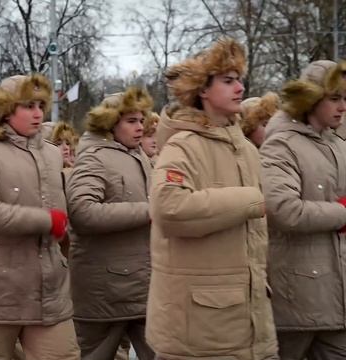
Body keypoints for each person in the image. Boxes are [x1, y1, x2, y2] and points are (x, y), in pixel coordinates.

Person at [146, 37, 278, 359]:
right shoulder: (182, 146)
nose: (240, 88)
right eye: (228, 81)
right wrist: (249, 200)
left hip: (252, 320)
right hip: (200, 329)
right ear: (203, 90)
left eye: (240, 80)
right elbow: (169, 209)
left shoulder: (247, 149)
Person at [0, 74, 79, 359]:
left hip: (49, 291)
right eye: (28, 105)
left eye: (41, 104)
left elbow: (64, 216)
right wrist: (45, 221)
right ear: (5, 109)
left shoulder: (51, 154)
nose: (38, 113)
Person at [260, 60, 346, 359]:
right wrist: (342, 213)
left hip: (337, 299)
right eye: (335, 99)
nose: (343, 107)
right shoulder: (281, 144)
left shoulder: (337, 144)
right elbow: (282, 209)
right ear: (311, 99)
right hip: (296, 299)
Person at [66, 86, 155, 360]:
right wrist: (149, 211)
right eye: (131, 121)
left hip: (142, 285)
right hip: (104, 291)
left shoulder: (139, 156)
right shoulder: (94, 157)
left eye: (142, 120)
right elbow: (83, 212)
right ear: (109, 123)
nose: (140, 127)